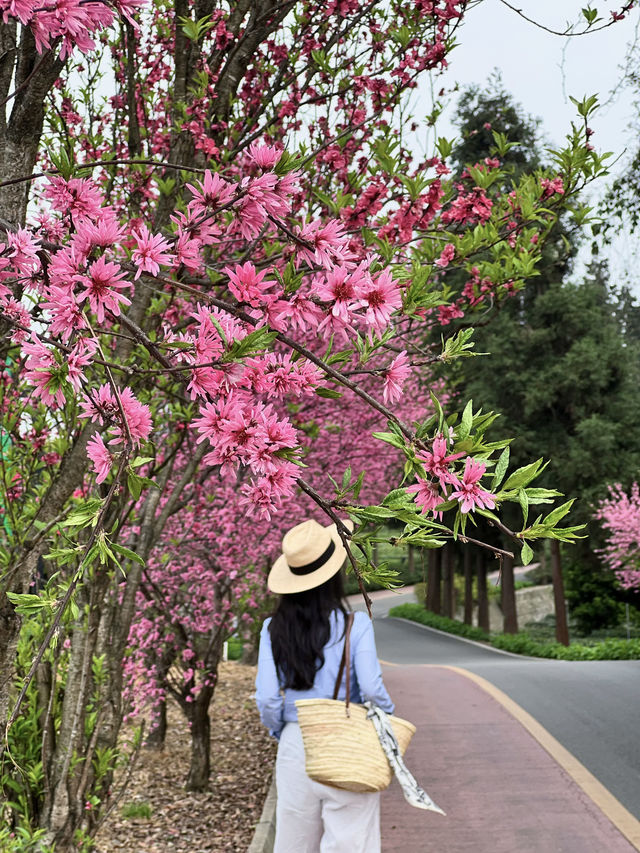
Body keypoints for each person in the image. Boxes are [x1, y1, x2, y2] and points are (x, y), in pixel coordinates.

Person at [255, 517, 394, 853]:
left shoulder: (273, 629)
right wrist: (385, 721)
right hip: (347, 738)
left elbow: (268, 699)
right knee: (351, 841)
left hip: (295, 742)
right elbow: (373, 690)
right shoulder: (354, 625)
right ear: (333, 575)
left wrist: (282, 731)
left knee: (293, 842)